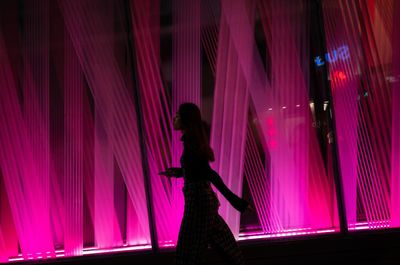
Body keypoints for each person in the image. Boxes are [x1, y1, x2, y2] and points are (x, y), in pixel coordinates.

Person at [160, 102, 248, 265]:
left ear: (186, 120)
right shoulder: (191, 142)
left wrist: (235, 200)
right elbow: (200, 171)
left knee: (188, 251)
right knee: (225, 245)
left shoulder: (192, 144)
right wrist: (180, 172)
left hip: (198, 203)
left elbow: (208, 173)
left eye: (178, 115)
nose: (174, 118)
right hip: (203, 201)